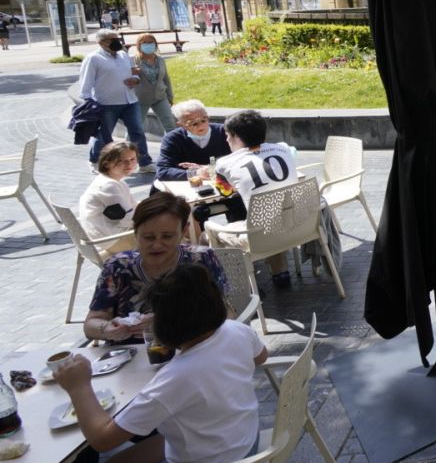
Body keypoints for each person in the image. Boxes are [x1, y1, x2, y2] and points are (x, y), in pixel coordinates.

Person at [55, 261, 267, 463]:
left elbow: (103, 440)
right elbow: (261, 357)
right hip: (238, 445)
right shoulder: (235, 330)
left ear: (165, 330)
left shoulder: (175, 379)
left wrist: (79, 386)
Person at [82, 192, 228, 344]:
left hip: (189, 350)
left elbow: (226, 313)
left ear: (184, 231)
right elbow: (91, 324)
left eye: (167, 236)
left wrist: (167, 323)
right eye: (148, 237)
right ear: (135, 232)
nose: (157, 245)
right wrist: (106, 329)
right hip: (130, 357)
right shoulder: (117, 267)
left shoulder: (200, 259)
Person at [212, 109, 299, 288]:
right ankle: (280, 272)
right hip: (297, 225)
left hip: (261, 236)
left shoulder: (224, 163)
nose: (226, 140)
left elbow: (226, 193)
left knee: (210, 232)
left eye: (228, 136)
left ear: (235, 136)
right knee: (270, 214)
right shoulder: (283, 149)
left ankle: (236, 288)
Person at [77, 29, 153, 173]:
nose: (117, 42)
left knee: (137, 133)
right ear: (102, 42)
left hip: (130, 101)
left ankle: (144, 163)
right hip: (106, 103)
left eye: (117, 38)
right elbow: (85, 83)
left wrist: (135, 80)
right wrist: (89, 102)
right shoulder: (93, 58)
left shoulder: (124, 55)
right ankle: (95, 161)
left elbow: (133, 74)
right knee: (103, 135)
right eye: (112, 39)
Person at [154, 99, 231, 182]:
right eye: (193, 123)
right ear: (181, 125)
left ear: (208, 117)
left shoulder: (226, 132)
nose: (200, 125)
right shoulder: (173, 139)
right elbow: (163, 171)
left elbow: (242, 158)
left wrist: (208, 168)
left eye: (203, 120)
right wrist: (196, 173)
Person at [78, 141, 140, 240]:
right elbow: (128, 219)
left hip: (108, 234)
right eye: (121, 160)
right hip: (110, 241)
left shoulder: (116, 182)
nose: (129, 164)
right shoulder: (108, 186)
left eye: (133, 159)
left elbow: (134, 207)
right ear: (107, 164)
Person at [131, 33, 174, 137]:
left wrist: (170, 96)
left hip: (160, 97)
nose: (148, 45)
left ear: (155, 44)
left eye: (151, 42)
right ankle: (128, 151)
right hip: (140, 99)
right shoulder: (133, 60)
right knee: (135, 127)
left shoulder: (160, 59)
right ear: (138, 45)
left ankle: (173, 149)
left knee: (170, 125)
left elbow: (165, 78)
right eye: (144, 42)